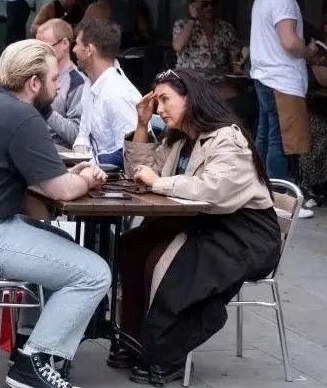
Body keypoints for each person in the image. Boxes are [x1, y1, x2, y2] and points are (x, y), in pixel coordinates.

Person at [0, 39, 110, 388]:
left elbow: (45, 183)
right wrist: (86, 178)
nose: (58, 88)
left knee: (61, 243)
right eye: (54, 80)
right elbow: (59, 191)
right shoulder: (21, 116)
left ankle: (30, 346)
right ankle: (32, 366)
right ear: (33, 83)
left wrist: (67, 180)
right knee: (94, 272)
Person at [116, 68, 281, 385]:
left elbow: (213, 191)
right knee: (133, 246)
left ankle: (165, 353)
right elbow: (139, 173)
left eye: (165, 100)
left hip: (243, 233)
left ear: (190, 99)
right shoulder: (180, 139)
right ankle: (134, 341)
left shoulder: (227, 139)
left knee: (171, 263)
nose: (159, 109)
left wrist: (160, 182)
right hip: (206, 223)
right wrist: (140, 125)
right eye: (157, 101)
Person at [249, 0, 323, 180]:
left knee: (265, 137)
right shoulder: (283, 0)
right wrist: (310, 51)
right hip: (282, 81)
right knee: (281, 141)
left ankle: (260, 189)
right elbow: (290, 42)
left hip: (264, 77)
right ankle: (280, 195)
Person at [72, 18, 142, 168]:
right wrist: (76, 162)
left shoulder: (118, 94)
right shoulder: (90, 83)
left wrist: (89, 165)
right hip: (93, 173)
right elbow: (83, 135)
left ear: (89, 50)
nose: (74, 50)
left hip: (118, 182)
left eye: (77, 44)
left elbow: (128, 152)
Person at [300, 9, 327, 197]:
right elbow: (326, 81)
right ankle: (316, 185)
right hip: (316, 108)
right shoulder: (321, 52)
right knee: (326, 133)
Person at [36, 18, 88, 148]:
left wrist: (46, 112)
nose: (40, 52)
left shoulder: (78, 83)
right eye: (37, 47)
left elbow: (76, 134)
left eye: (46, 47)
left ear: (65, 43)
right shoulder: (35, 74)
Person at [172, 0, 239, 74]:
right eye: (204, 5)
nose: (209, 7)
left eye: (213, 3)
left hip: (219, 81)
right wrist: (192, 18)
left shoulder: (226, 28)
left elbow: (234, 59)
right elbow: (178, 47)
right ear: (193, 6)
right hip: (190, 80)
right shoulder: (182, 25)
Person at [84, 0, 153, 47]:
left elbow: (82, 29)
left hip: (108, 50)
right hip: (129, 49)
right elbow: (143, 28)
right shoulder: (132, 7)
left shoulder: (96, 7)